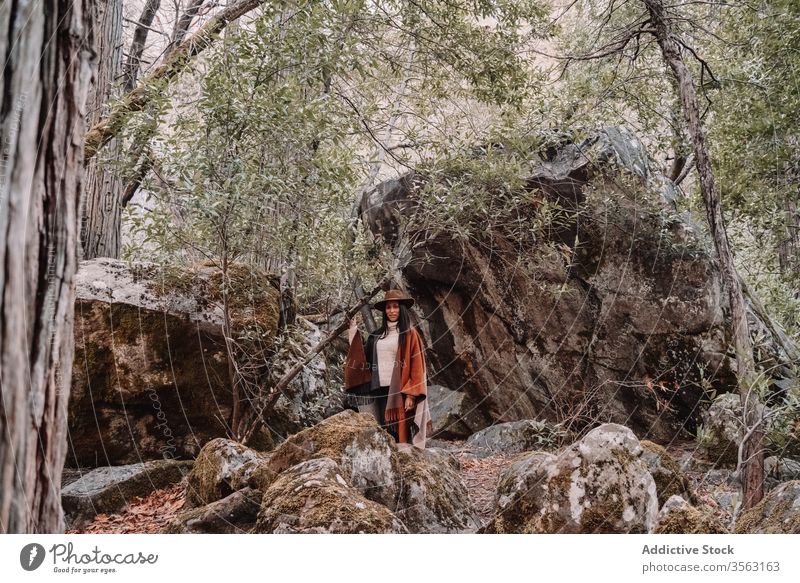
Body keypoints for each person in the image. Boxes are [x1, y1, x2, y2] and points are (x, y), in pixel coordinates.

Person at [343, 289, 432, 448]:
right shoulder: (377, 336)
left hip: (400, 392)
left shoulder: (410, 334)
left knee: (399, 431)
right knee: (382, 430)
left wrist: (411, 395)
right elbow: (363, 358)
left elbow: (417, 365)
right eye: (388, 307)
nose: (392, 311)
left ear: (402, 309)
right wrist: (353, 330)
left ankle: (404, 463)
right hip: (379, 390)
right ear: (385, 311)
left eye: (395, 307)